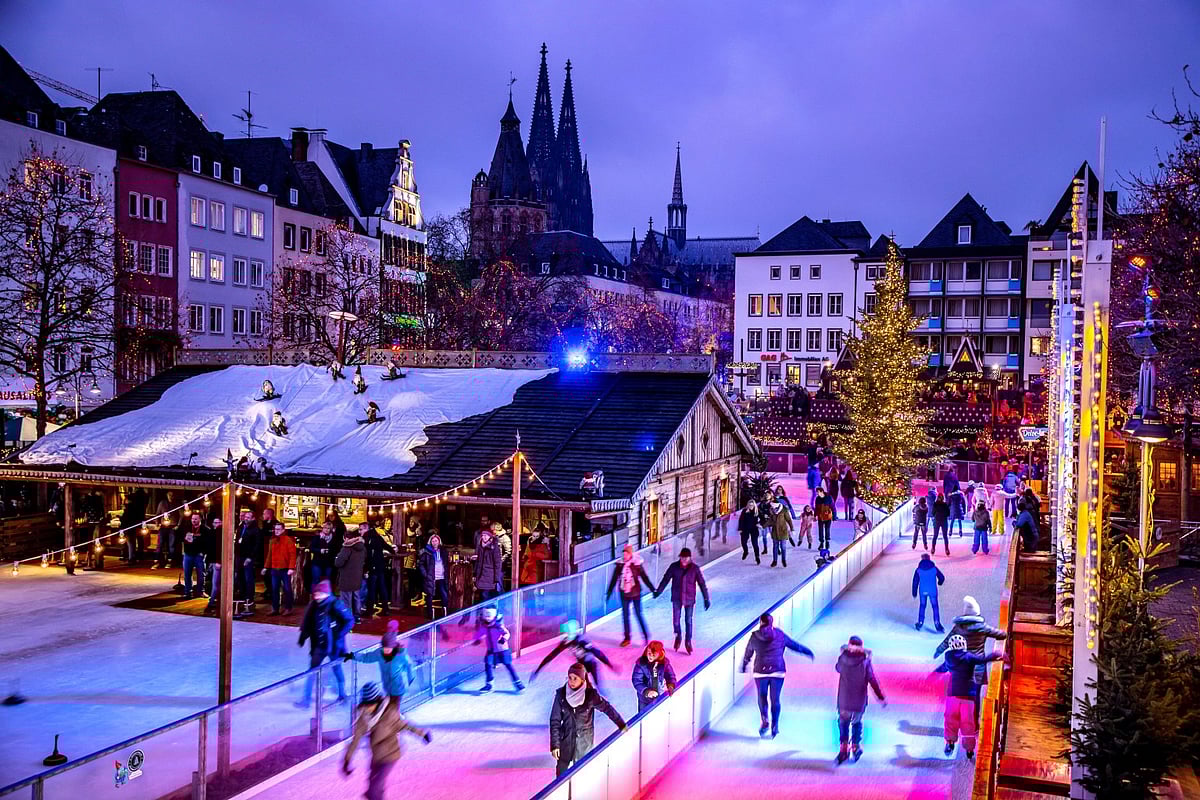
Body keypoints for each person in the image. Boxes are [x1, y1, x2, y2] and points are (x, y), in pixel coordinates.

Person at [342, 682, 432, 800]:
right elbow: (355, 740)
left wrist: (422, 734)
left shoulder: (389, 713)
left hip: (390, 755)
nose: (368, 707)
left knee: (374, 788)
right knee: (372, 791)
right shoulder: (363, 719)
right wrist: (347, 761)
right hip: (376, 757)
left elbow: (405, 726)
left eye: (371, 704)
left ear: (377, 701)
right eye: (366, 704)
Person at [740, 612, 814, 738]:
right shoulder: (779, 634)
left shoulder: (754, 636)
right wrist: (807, 652)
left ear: (761, 622)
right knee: (775, 699)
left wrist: (744, 664)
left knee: (762, 696)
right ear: (771, 622)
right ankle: (775, 725)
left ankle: (765, 720)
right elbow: (794, 645)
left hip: (760, 671)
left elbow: (749, 651)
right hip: (778, 670)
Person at [934, 596, 1008, 717]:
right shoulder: (983, 628)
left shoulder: (958, 628)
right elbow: (1001, 634)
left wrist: (938, 651)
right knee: (975, 695)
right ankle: (974, 722)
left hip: (961, 665)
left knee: (958, 691)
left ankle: (955, 717)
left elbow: (947, 641)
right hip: (977, 667)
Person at [549, 662, 627, 777]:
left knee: (582, 774)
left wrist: (621, 724)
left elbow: (607, 708)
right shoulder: (561, 695)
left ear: (582, 679)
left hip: (584, 742)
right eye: (569, 678)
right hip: (565, 740)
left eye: (575, 678)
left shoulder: (590, 696)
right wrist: (555, 745)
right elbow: (555, 721)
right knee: (560, 775)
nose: (571, 681)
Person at [934, 634, 1005, 760]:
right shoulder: (969, 657)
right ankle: (969, 748)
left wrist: (935, 672)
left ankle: (950, 742)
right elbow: (983, 660)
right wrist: (996, 654)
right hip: (968, 695)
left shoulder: (948, 656)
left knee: (950, 718)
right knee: (968, 722)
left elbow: (945, 666)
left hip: (953, 694)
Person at [296, 578, 352, 706]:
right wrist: (303, 637)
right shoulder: (313, 605)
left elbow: (350, 620)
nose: (316, 596)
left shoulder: (335, 604)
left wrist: (339, 634)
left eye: (319, 594)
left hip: (333, 646)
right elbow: (307, 622)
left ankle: (342, 695)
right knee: (312, 671)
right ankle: (306, 699)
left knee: (337, 669)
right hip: (319, 645)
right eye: (315, 594)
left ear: (326, 593)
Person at [835, 635, 887, 764]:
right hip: (859, 699)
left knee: (843, 722)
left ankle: (843, 749)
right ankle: (855, 747)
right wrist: (880, 697)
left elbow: (837, 668)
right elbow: (872, 680)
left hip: (844, 699)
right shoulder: (865, 662)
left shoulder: (843, 659)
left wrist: (843, 653)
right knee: (856, 722)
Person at [653, 547, 711, 653]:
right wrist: (659, 591)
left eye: (686, 557)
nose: (684, 559)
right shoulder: (674, 567)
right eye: (682, 557)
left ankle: (688, 641)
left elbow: (702, 584)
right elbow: (666, 579)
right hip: (677, 598)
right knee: (676, 621)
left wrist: (706, 598)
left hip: (689, 598)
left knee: (688, 621)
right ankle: (678, 636)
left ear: (690, 558)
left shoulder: (694, 569)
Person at [531, 619, 616, 691]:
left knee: (597, 686)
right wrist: (538, 669)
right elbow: (551, 656)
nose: (563, 636)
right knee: (583, 686)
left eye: (565, 633)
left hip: (592, 664)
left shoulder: (581, 640)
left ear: (570, 634)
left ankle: (598, 695)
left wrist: (610, 665)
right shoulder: (565, 642)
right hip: (581, 666)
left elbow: (597, 653)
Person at [350, 620, 415, 704]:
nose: (386, 650)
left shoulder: (401, 655)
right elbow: (366, 657)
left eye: (388, 648)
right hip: (387, 687)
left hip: (398, 688)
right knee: (389, 707)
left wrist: (410, 679)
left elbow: (409, 665)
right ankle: (395, 715)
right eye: (384, 648)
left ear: (394, 647)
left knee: (393, 707)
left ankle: (396, 715)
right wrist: (351, 656)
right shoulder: (379, 653)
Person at [606, 544, 655, 647]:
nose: (625, 556)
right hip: (624, 593)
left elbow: (644, 577)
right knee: (625, 616)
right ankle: (627, 638)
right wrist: (609, 592)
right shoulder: (620, 565)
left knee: (638, 614)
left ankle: (645, 636)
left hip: (636, 593)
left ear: (630, 554)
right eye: (624, 554)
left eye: (626, 553)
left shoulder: (636, 565)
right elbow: (614, 579)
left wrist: (652, 589)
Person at [474, 605, 525, 693]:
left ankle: (517, 682)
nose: (487, 619)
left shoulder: (498, 626)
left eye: (489, 616)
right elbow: (480, 633)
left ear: (494, 616)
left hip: (502, 650)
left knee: (508, 665)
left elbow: (506, 633)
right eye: (485, 616)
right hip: (491, 650)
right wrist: (477, 639)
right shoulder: (484, 626)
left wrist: (503, 639)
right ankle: (489, 684)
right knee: (487, 664)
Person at [262, 521, 297, 615]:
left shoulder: (288, 540)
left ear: (283, 530)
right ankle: (275, 608)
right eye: (275, 529)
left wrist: (291, 568)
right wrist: (266, 567)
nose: (276, 531)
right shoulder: (272, 541)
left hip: (285, 569)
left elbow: (292, 555)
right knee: (274, 589)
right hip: (274, 568)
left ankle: (288, 608)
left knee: (287, 589)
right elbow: (269, 555)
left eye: (278, 529)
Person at [632, 641, 677, 712]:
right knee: (644, 718)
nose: (650, 656)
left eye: (654, 655)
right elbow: (637, 681)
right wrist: (647, 691)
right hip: (644, 699)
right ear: (646, 651)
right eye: (649, 653)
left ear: (659, 654)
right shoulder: (641, 664)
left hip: (659, 696)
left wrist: (671, 685)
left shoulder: (664, 663)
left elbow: (670, 676)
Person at [335, 525, 367, 620]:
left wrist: (337, 557)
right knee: (356, 597)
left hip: (346, 577)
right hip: (357, 576)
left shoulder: (347, 548)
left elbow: (338, 563)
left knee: (346, 599)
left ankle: (346, 618)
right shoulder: (362, 547)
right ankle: (357, 616)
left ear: (346, 538)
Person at [363, 523, 395, 617]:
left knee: (372, 589)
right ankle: (385, 609)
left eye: (361, 529)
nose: (360, 531)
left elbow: (369, 554)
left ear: (366, 529)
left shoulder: (368, 537)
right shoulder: (376, 535)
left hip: (373, 566)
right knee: (382, 587)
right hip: (380, 565)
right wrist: (393, 551)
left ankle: (369, 610)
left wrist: (367, 567)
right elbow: (386, 545)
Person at [416, 533, 449, 620]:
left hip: (441, 576)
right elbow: (421, 564)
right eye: (433, 541)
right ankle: (430, 613)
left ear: (439, 541)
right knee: (430, 595)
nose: (435, 542)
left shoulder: (443, 551)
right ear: (430, 542)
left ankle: (445, 610)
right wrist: (425, 574)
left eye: (436, 541)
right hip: (431, 576)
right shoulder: (426, 551)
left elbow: (446, 563)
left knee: (444, 594)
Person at [912, 553, 946, 632]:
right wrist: (939, 583)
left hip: (923, 591)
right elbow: (942, 577)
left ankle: (920, 622)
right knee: (935, 606)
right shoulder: (934, 568)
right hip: (932, 590)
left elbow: (915, 582)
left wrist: (914, 593)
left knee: (922, 605)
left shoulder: (918, 570)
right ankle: (937, 623)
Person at [234, 509, 261, 602]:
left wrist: (250, 557)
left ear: (253, 518)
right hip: (239, 555)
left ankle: (249, 596)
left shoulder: (256, 530)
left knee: (248, 577)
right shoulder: (241, 527)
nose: (246, 519)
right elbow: (237, 539)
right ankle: (241, 594)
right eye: (245, 517)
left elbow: (257, 545)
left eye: (248, 517)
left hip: (248, 556)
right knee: (240, 576)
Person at [180, 512, 209, 600]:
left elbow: (208, 543)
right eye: (192, 519)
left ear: (200, 519)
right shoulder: (187, 528)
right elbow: (180, 538)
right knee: (187, 574)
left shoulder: (205, 529)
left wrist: (203, 552)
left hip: (199, 555)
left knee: (201, 574)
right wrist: (185, 538)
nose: (194, 521)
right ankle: (188, 592)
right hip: (188, 554)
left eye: (196, 519)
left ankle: (201, 591)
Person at [473, 524, 504, 601]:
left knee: (486, 595)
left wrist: (496, 578)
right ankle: (486, 611)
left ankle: (490, 611)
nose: (484, 537)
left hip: (490, 575)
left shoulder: (494, 547)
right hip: (481, 575)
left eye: (486, 535)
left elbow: (497, 563)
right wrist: (475, 573)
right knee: (483, 595)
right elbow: (479, 562)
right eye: (483, 535)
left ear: (490, 536)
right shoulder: (480, 546)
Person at [308, 522, 338, 594]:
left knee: (328, 580)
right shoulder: (317, 537)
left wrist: (330, 552)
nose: (326, 530)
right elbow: (311, 548)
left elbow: (337, 549)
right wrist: (320, 550)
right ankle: (314, 597)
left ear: (331, 529)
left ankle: (327, 598)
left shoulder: (334, 538)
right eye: (325, 528)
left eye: (328, 528)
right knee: (316, 580)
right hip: (317, 562)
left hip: (329, 562)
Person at [203, 515, 224, 615]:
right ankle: (214, 602)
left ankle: (211, 603)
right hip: (213, 561)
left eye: (218, 523)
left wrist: (218, 561)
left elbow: (219, 549)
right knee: (214, 583)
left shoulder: (220, 533)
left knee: (216, 583)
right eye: (214, 523)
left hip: (217, 562)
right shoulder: (213, 533)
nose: (216, 525)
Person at [152, 491, 176, 569]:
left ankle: (170, 561)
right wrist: (157, 523)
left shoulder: (176, 504)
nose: (171, 496)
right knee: (159, 544)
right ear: (167, 495)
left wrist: (178, 525)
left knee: (171, 545)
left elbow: (181, 514)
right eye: (169, 495)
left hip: (172, 526)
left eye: (172, 495)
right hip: (162, 526)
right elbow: (157, 514)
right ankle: (157, 561)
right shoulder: (162, 503)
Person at [769, 497, 794, 567]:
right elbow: (770, 520)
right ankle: (775, 561)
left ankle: (783, 560)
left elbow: (789, 520)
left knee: (783, 547)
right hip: (775, 531)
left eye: (773, 505)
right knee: (775, 547)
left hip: (783, 531)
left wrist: (792, 529)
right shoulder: (771, 510)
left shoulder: (784, 510)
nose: (772, 507)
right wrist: (763, 526)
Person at [738, 499, 761, 563]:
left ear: (754, 505)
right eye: (750, 505)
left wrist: (759, 524)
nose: (751, 506)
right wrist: (740, 529)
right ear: (748, 505)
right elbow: (741, 520)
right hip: (745, 528)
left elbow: (762, 518)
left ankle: (757, 556)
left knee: (755, 543)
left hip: (754, 529)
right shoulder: (744, 511)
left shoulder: (757, 511)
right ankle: (746, 551)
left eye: (752, 505)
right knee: (743, 542)